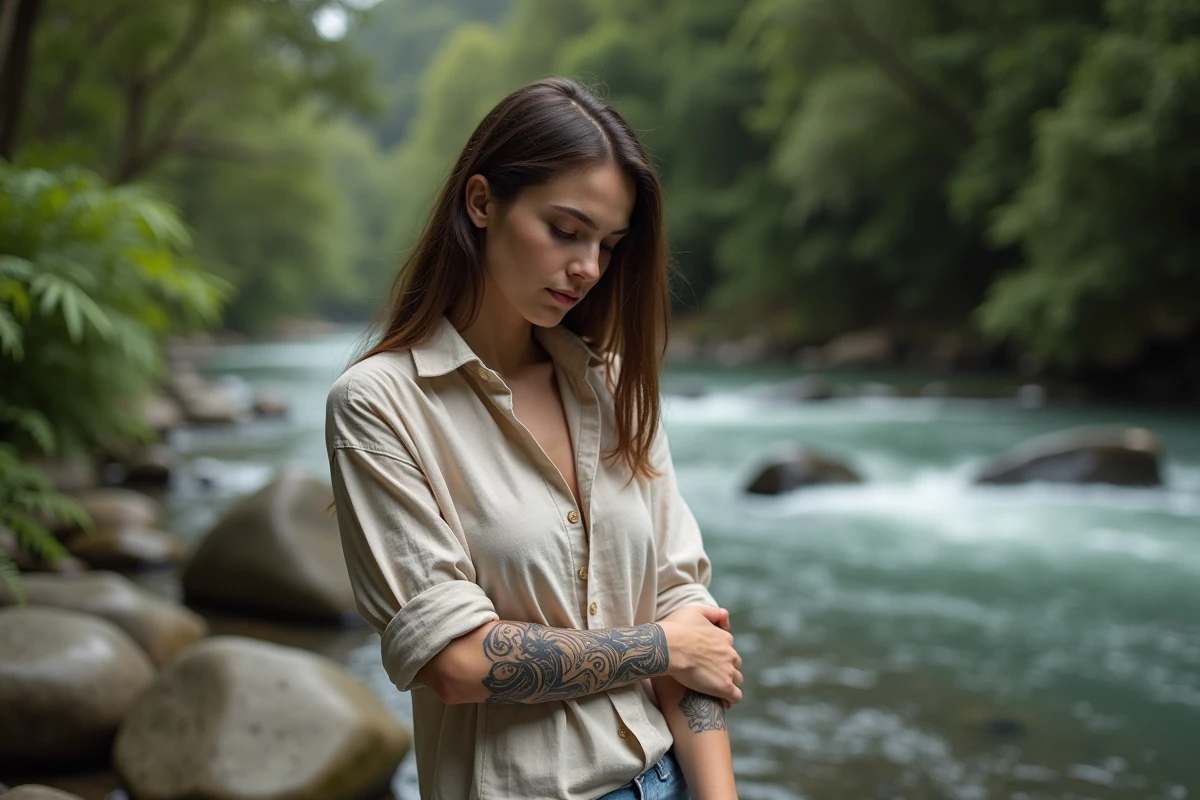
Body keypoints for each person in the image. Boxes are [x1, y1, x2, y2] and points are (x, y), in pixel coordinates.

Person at [325, 77, 743, 800]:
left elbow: (692, 626)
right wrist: (659, 646)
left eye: (609, 245)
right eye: (565, 229)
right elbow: (457, 665)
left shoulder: (613, 384)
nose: (588, 268)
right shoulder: (380, 404)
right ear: (482, 202)